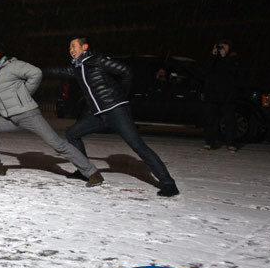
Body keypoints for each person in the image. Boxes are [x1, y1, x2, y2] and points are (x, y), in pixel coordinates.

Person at [0, 41, 104, 186]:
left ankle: (93, 173)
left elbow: (36, 73)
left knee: (57, 145)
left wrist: (25, 92)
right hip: (10, 118)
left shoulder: (13, 66)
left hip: (28, 115)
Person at [46, 36, 180, 197]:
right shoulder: (77, 67)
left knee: (138, 146)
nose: (71, 50)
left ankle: (168, 184)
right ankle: (84, 170)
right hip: (99, 115)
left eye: (74, 46)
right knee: (72, 133)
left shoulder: (98, 60)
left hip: (116, 112)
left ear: (85, 47)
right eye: (69, 47)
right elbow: (56, 71)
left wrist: (120, 96)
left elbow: (125, 71)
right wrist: (31, 70)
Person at [202, 39, 241, 152]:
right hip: (213, 95)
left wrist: (224, 57)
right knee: (211, 120)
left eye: (225, 46)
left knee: (229, 121)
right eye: (220, 46)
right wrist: (213, 55)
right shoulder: (214, 58)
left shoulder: (234, 59)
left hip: (228, 96)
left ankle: (231, 143)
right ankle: (209, 142)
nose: (222, 48)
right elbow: (204, 70)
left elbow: (233, 73)